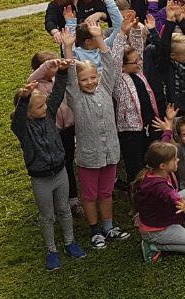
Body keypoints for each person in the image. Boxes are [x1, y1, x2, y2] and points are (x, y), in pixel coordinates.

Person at [52, 22, 129, 249]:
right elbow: (70, 77)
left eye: (93, 77)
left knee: (106, 192)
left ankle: (109, 226)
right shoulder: (76, 96)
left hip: (110, 152)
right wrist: (68, 48)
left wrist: (99, 39)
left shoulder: (105, 87)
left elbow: (110, 64)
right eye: (84, 79)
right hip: (89, 156)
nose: (89, 82)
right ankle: (95, 230)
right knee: (90, 195)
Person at [12, 74, 88, 270]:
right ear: (27, 112)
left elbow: (58, 93)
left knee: (64, 209)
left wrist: (62, 72)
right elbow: (17, 120)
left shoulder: (49, 116)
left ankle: (70, 242)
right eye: (40, 107)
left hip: (60, 173)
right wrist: (24, 99)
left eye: (45, 104)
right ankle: (52, 250)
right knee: (47, 216)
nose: (45, 108)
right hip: (41, 180)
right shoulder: (23, 129)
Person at [133, 141, 185, 262]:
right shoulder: (158, 186)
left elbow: (169, 194)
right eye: (174, 159)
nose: (178, 160)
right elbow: (170, 195)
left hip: (162, 218)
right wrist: (182, 203)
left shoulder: (158, 171)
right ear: (163, 165)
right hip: (157, 231)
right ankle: (154, 246)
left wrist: (168, 130)